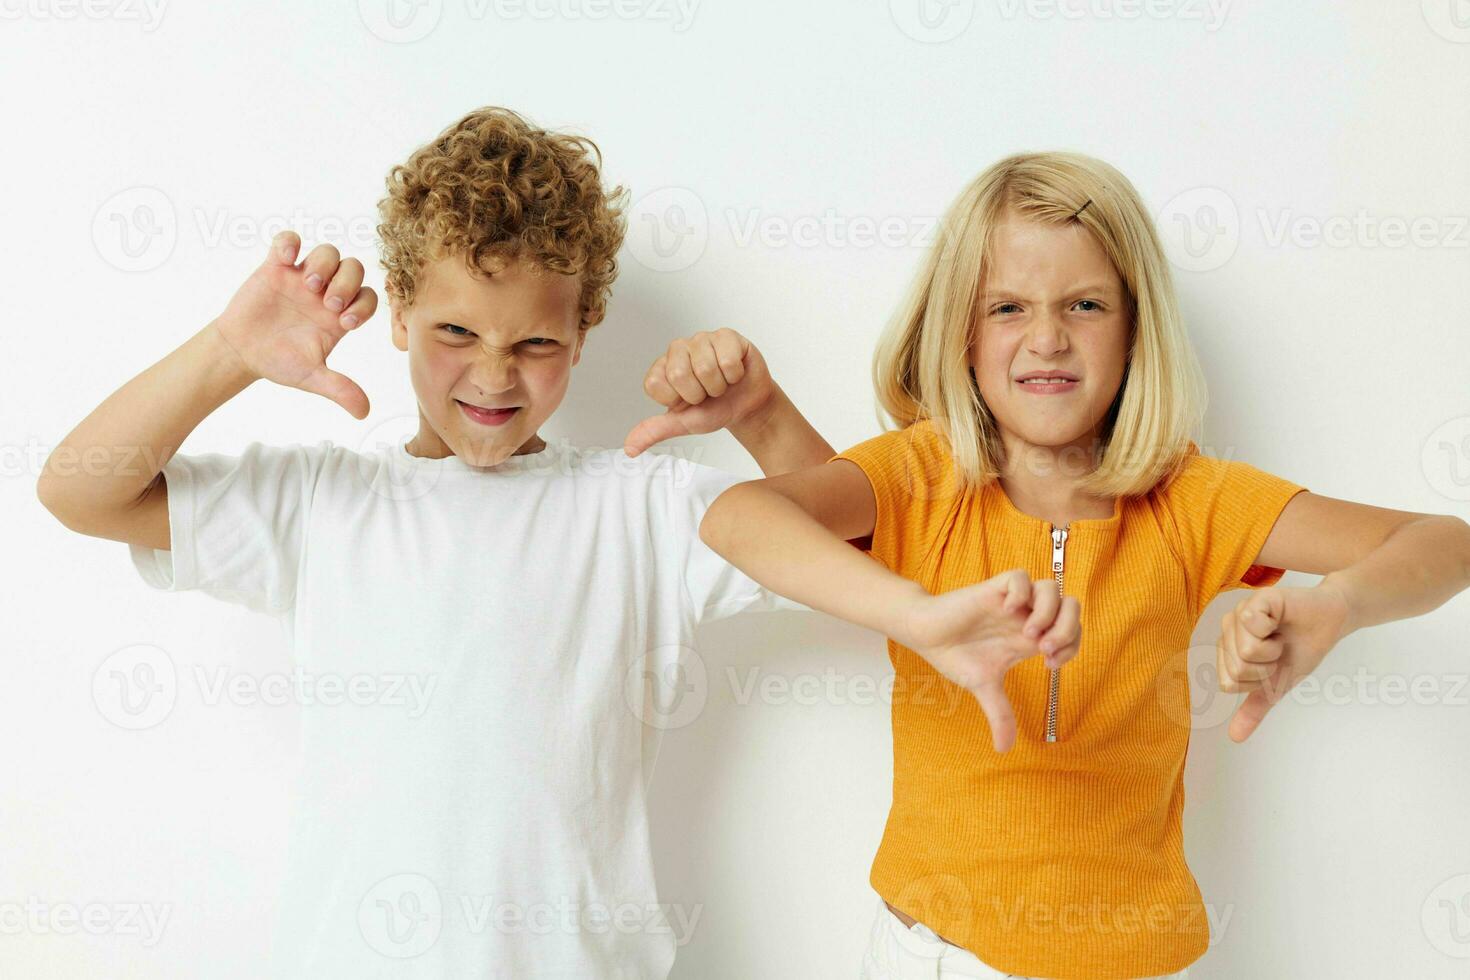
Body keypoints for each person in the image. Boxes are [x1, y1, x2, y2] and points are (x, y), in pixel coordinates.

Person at [36, 106, 831, 978]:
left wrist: (761, 414)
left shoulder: (641, 512)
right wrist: (230, 351)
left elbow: (864, 543)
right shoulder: (323, 503)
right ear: (402, 311)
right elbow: (80, 490)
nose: (493, 375)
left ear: (583, 331)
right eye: (457, 332)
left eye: (534, 342)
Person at [696, 151, 1470, 979]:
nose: (1046, 337)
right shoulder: (921, 476)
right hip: (927, 954)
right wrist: (917, 616)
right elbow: (741, 516)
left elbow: (1445, 542)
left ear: (1136, 329)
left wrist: (1340, 605)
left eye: (1086, 304)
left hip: (1136, 961)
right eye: (1007, 307)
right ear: (960, 329)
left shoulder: (1194, 499)